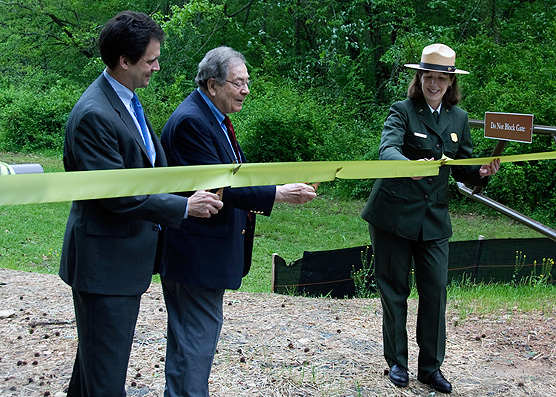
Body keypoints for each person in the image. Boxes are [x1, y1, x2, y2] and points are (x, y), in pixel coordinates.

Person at [59, 11, 223, 396]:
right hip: (104, 267)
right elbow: (117, 194)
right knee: (106, 378)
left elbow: (152, 170)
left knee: (93, 369)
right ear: (124, 61)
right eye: (150, 59)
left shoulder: (127, 100)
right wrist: (184, 207)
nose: (157, 66)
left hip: (120, 263)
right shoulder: (94, 115)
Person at [159, 46, 317, 396]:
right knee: (192, 348)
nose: (246, 90)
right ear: (213, 84)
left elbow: (236, 175)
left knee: (196, 344)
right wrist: (278, 193)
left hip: (205, 256)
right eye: (239, 82)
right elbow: (221, 186)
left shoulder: (210, 116)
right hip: (194, 257)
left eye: (247, 82)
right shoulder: (191, 122)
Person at [361, 43, 500, 393]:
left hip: (434, 219)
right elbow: (387, 148)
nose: (434, 84)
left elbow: (464, 168)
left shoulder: (460, 118)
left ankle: (430, 368)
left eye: (441, 78)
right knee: (394, 290)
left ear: (451, 83)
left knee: (435, 290)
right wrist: (407, 166)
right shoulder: (402, 110)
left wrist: (482, 172)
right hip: (393, 214)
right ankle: (397, 362)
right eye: (428, 77)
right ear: (419, 78)